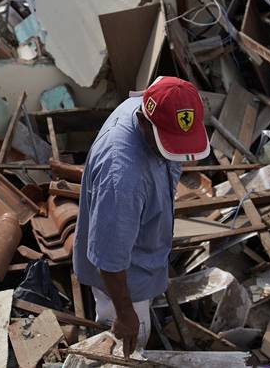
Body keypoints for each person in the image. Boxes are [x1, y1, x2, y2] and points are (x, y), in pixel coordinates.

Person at [72, 76, 210, 357]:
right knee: (127, 345)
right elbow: (110, 262)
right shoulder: (123, 178)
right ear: (144, 121)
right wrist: (125, 314)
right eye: (169, 144)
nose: (176, 155)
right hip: (122, 283)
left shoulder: (149, 104)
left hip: (143, 257)